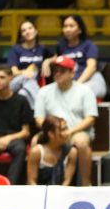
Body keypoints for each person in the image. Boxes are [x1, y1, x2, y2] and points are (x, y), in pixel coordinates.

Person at [34, 55, 97, 186]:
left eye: (62, 71)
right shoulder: (44, 91)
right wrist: (53, 132)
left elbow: (90, 118)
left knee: (81, 142)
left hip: (76, 131)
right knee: (35, 140)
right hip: (52, 132)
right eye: (55, 71)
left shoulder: (85, 90)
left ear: (72, 73)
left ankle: (86, 185)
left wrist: (70, 131)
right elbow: (39, 119)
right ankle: (34, 184)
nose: (57, 74)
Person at [43, 14, 107, 99]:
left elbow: (91, 67)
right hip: (69, 83)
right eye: (65, 26)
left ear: (80, 30)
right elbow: (57, 58)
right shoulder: (61, 45)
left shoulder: (89, 45)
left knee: (80, 93)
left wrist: (76, 86)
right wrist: (46, 62)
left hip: (91, 80)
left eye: (71, 26)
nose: (67, 29)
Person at [7, 19, 54, 109]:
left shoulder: (42, 48)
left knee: (23, 94)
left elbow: (55, 57)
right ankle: (41, 107)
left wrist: (46, 61)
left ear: (36, 31)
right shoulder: (15, 49)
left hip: (31, 86)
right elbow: (14, 72)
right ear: (21, 35)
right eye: (24, 30)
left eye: (30, 28)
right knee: (29, 78)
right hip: (17, 83)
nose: (27, 32)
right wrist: (26, 72)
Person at [26, 115, 78, 185]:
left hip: (61, 191)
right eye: (63, 130)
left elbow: (67, 182)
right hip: (39, 190)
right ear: (51, 134)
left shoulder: (71, 152)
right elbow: (31, 181)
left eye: (66, 129)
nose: (67, 133)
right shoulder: (36, 152)